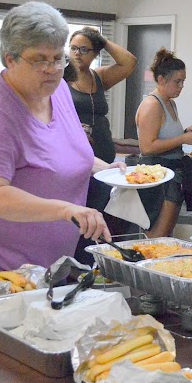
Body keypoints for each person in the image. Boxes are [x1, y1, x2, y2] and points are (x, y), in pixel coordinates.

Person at [0, 2, 124, 272]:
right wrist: (66, 210)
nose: (52, 69)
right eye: (39, 60)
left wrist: (108, 170)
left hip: (46, 260)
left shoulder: (58, 90)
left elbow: (64, 152)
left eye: (58, 58)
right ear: (10, 59)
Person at [67, 27, 136, 262]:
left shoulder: (98, 77)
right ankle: (77, 264)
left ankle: (94, 264)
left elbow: (129, 63)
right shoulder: (61, 79)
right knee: (80, 216)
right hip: (76, 159)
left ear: (95, 53)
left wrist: (101, 39)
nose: (77, 53)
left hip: (103, 158)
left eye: (84, 49)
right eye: (73, 48)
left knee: (100, 214)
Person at [134, 48, 192, 238]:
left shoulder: (170, 102)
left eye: (183, 82)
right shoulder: (152, 105)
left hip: (173, 171)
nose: (181, 86)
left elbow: (165, 136)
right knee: (158, 235)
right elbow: (147, 147)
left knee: (167, 234)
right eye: (177, 81)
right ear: (161, 79)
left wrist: (184, 133)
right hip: (157, 174)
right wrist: (182, 139)